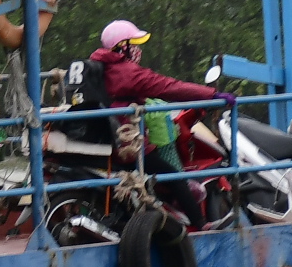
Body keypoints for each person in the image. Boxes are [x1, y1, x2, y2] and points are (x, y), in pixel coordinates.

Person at [87, 18, 231, 223]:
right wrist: (211, 95)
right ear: (122, 46)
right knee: (173, 176)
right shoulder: (126, 72)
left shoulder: (96, 67)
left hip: (101, 141)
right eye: (134, 45)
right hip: (126, 145)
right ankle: (202, 226)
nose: (138, 50)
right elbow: (168, 87)